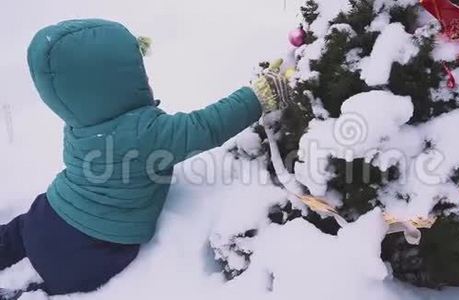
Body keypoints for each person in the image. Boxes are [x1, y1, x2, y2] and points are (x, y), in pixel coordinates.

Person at [0, 19, 290, 296]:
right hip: (88, 247)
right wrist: (256, 97)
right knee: (64, 281)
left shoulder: (81, 122)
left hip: (46, 214)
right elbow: (206, 126)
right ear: (116, 82)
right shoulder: (144, 132)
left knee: (19, 233)